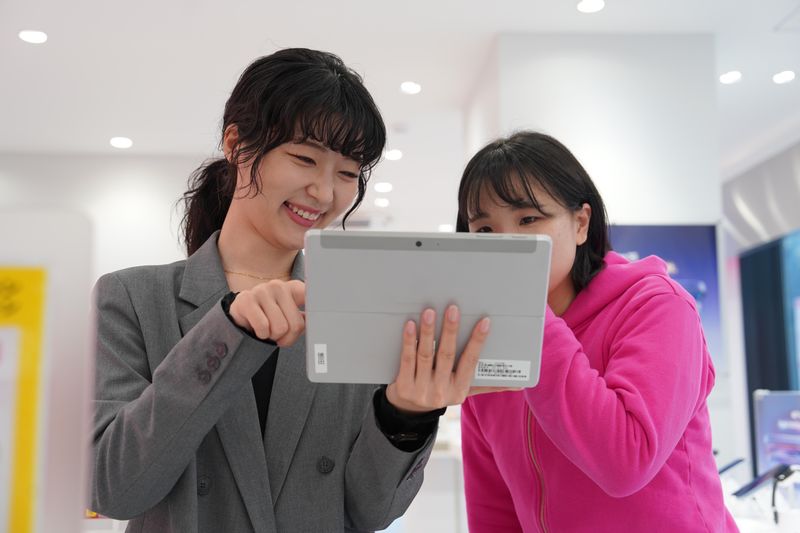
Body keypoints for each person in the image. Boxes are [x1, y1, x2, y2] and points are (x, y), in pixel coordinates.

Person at [90, 48, 492, 533]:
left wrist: (406, 415)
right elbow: (113, 488)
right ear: (236, 145)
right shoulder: (132, 298)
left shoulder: (356, 312)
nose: (324, 193)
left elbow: (372, 511)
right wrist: (227, 329)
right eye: (304, 159)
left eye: (347, 173)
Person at [456, 131, 738, 532]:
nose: (506, 245)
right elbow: (494, 509)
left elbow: (626, 462)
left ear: (581, 223)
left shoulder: (658, 307)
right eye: (484, 230)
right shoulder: (486, 341)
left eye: (528, 219)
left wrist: (529, 317)